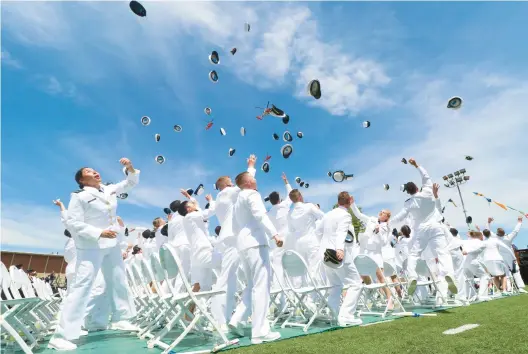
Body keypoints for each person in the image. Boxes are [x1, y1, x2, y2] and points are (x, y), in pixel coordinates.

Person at [48, 158, 140, 351]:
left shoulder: (108, 189)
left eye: (94, 169)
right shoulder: (79, 196)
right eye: (88, 172)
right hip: (91, 245)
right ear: (82, 180)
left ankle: (120, 318)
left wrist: (129, 167)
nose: (94, 172)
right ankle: (62, 334)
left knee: (117, 280)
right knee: (83, 285)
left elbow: (130, 183)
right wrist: (98, 232)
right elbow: (73, 223)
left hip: (112, 243)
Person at [228, 170, 283, 344]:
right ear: (247, 183)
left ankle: (237, 319)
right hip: (255, 243)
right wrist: (275, 234)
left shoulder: (237, 201)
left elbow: (236, 226)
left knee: (252, 285)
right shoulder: (252, 194)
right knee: (261, 286)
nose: (255, 180)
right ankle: (260, 331)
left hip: (243, 244)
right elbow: (260, 215)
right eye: (253, 178)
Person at [390, 158, 457, 296]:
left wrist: (387, 223)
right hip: (435, 227)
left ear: (408, 192)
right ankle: (448, 274)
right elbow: (426, 177)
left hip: (421, 230)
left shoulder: (408, 203)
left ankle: (413, 276)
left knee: (414, 254)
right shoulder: (427, 192)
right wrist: (416, 165)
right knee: (443, 252)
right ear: (416, 187)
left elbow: (400, 217)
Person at [210, 154, 257, 331]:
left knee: (230, 279)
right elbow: (246, 183)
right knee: (227, 278)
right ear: (226, 185)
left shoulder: (218, 201)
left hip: (228, 238)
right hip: (232, 238)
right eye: (230, 182)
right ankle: (220, 320)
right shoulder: (228, 192)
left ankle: (226, 317)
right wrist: (251, 165)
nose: (232, 184)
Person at [316, 191, 362, 326]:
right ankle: (347, 315)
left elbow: (317, 232)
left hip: (325, 254)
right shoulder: (345, 215)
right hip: (337, 254)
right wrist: (339, 249)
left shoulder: (328, 214)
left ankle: (333, 315)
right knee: (356, 283)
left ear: (338, 201)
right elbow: (342, 232)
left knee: (335, 286)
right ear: (349, 202)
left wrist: (324, 246)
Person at [350, 197, 394, 308]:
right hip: (365, 251)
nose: (381, 212)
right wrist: (352, 203)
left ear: (387, 217)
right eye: (381, 211)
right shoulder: (371, 219)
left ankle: (390, 300)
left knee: (381, 278)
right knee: (363, 274)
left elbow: (384, 242)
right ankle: (372, 291)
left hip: (376, 254)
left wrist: (379, 232)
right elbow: (358, 215)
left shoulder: (386, 228)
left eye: (383, 213)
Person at [177, 191, 216, 292]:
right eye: (191, 204)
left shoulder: (189, 218)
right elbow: (211, 210)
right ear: (188, 209)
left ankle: (192, 307)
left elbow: (196, 206)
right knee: (230, 262)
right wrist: (211, 200)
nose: (194, 204)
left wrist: (189, 196)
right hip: (203, 252)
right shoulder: (192, 216)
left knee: (201, 287)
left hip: (196, 256)